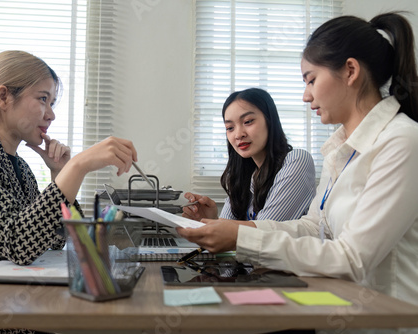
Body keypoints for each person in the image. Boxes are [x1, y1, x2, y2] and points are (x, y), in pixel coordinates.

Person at [178, 11, 418, 317]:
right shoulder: (342, 150)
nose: (306, 96)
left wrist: (240, 237)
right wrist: (236, 229)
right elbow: (313, 227)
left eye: (312, 80)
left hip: (384, 321)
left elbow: (352, 258)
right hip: (336, 310)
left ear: (350, 71)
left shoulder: (401, 142)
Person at [0, 50, 138, 294]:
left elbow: (54, 240)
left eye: (52, 103)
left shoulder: (19, 167)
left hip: (1, 300)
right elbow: (18, 244)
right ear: (4, 97)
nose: (51, 114)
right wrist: (78, 166)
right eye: (43, 99)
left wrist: (60, 174)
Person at [182, 88, 316, 224]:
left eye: (248, 121)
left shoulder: (297, 160)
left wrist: (217, 225)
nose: (238, 134)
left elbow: (263, 231)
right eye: (230, 128)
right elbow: (227, 237)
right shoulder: (243, 176)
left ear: (270, 120)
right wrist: (210, 220)